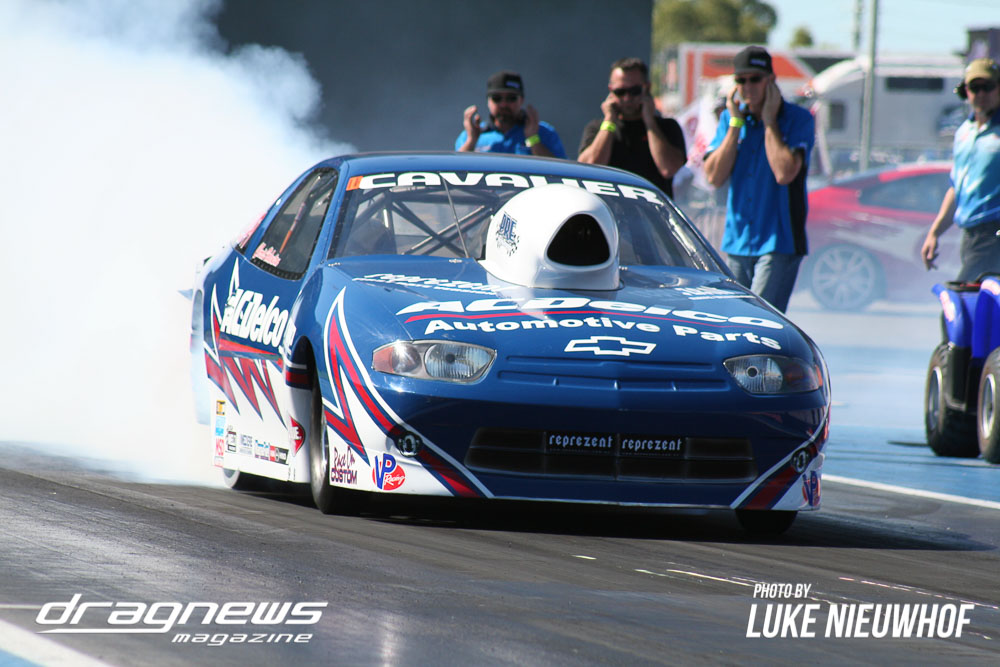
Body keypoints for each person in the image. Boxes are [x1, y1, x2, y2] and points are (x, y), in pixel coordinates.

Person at [702, 46, 814, 313]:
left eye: (755, 79)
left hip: (779, 241)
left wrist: (769, 122)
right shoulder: (731, 119)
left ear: (771, 80)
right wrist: (735, 126)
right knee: (732, 318)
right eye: (741, 80)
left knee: (759, 318)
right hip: (737, 240)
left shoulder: (797, 119)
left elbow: (785, 173)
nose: (747, 87)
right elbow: (714, 177)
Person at [920, 58, 1000, 282]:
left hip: (995, 234)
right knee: (977, 302)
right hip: (970, 236)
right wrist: (934, 233)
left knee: (961, 298)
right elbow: (956, 188)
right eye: (975, 87)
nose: (981, 93)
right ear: (965, 91)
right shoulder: (964, 132)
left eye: (988, 86)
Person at [577, 57, 687, 198]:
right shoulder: (598, 128)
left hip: (650, 210)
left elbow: (668, 169)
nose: (627, 98)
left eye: (634, 91)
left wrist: (649, 121)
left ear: (646, 88)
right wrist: (609, 120)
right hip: (608, 209)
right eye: (620, 92)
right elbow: (589, 169)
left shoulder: (667, 127)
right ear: (611, 91)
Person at [455, 70, 566, 158]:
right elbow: (456, 170)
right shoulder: (470, 135)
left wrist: (533, 139)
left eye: (511, 98)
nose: (503, 104)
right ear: (488, 101)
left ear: (521, 100)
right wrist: (471, 141)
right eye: (497, 98)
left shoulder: (544, 132)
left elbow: (560, 172)